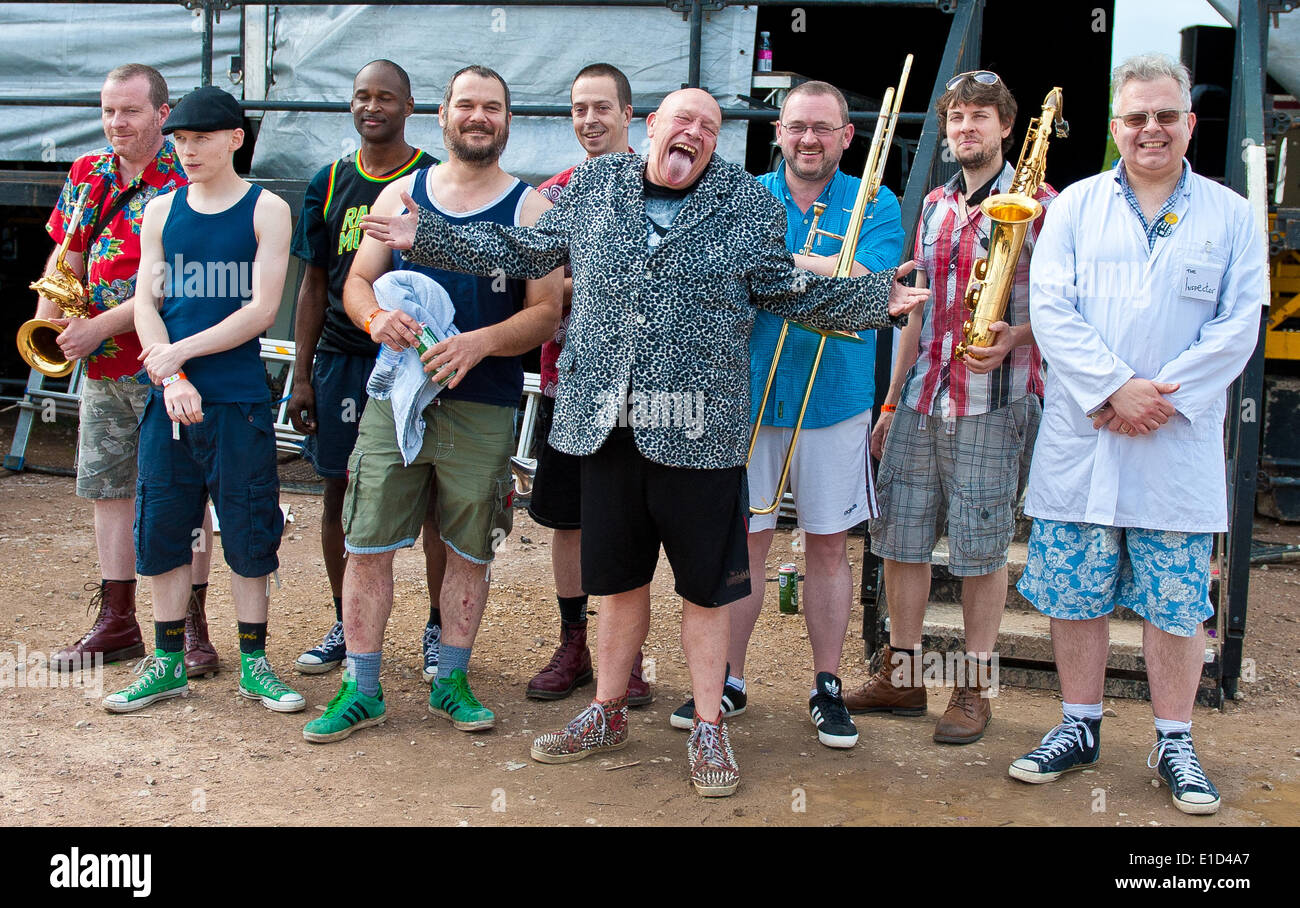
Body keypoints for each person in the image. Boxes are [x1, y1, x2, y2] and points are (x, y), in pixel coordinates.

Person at [361, 87, 929, 797]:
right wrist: (430, 236)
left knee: (704, 590)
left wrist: (875, 300)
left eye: (709, 127)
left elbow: (784, 290)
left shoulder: (745, 204)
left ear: (716, 142)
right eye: (681, 120)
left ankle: (710, 725)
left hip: (699, 428)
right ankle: (605, 710)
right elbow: (527, 246)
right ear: (653, 127)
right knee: (618, 579)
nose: (693, 132)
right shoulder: (594, 183)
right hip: (607, 423)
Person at [1008, 54, 1266, 815]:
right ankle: (1078, 724)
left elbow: (1237, 325)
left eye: (1165, 115)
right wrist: (1115, 389)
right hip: (1086, 436)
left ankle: (1174, 738)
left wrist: (1154, 397)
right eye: (1135, 116)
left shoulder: (1231, 214)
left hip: (1174, 442)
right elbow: (1052, 311)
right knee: (1074, 589)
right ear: (1116, 126)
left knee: (1175, 601)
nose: (1150, 128)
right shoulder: (1075, 207)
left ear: (1189, 122)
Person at [301, 65, 563, 743]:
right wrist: (372, 321)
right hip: (396, 400)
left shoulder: (532, 209)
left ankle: (450, 679)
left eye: (493, 108)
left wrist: (479, 343)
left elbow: (543, 315)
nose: (479, 117)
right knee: (368, 542)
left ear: (509, 121)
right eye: (467, 104)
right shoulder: (400, 196)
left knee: (470, 548)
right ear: (442, 115)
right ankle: (362, 689)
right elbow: (358, 281)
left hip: (482, 404)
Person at [668, 80, 904, 750]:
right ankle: (730, 680)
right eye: (797, 126)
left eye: (823, 128)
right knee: (744, 544)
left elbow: (868, 285)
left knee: (828, 544)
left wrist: (780, 265)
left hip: (833, 399)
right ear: (778, 130)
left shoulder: (875, 201)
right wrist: (817, 267)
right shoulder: (741, 194)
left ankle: (826, 683)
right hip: (745, 396)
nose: (808, 139)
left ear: (846, 135)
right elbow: (721, 273)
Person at [843, 70, 1054, 745]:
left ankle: (973, 685)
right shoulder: (934, 203)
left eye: (980, 117)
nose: (966, 128)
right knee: (901, 539)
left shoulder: (1041, 202)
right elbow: (917, 315)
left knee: (981, 549)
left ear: (1005, 127)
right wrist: (889, 397)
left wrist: (1019, 337)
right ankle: (904, 674)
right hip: (920, 395)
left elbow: (1068, 309)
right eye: (957, 117)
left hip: (993, 401)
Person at [103, 85, 301, 714]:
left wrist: (180, 357)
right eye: (181, 140)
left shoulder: (267, 209)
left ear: (236, 139)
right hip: (171, 398)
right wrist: (170, 377)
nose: (188, 150)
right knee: (161, 525)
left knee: (247, 527)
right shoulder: (161, 210)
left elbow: (263, 310)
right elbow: (147, 304)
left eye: (202, 139)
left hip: (237, 399)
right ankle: (165, 663)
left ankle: (254, 664)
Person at [39, 64, 216, 678]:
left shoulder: (185, 174)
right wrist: (49, 320)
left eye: (131, 111)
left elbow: (175, 282)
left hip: (171, 359)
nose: (117, 123)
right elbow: (68, 250)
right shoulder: (87, 172)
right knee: (109, 491)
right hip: (106, 366)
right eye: (110, 111)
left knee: (187, 496)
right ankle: (118, 622)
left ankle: (193, 626)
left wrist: (95, 328)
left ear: (162, 115)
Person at [286, 61, 447, 681]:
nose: (371, 106)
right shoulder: (328, 181)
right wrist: (301, 376)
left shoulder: (432, 179)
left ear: (410, 106)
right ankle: (343, 622)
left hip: (414, 358)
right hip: (343, 359)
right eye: (361, 96)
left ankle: (437, 627)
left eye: (386, 97)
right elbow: (314, 283)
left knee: (433, 494)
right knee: (337, 492)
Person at [525, 62, 651, 706]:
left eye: (603, 108)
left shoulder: (662, 188)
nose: (589, 120)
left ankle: (625, 659)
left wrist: (587, 281)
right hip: (565, 383)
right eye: (578, 109)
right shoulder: (554, 194)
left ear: (630, 115)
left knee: (628, 521)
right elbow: (532, 283)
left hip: (639, 392)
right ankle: (574, 642)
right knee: (568, 520)